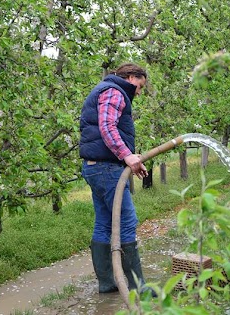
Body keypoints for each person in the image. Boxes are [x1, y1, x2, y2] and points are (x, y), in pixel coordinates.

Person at [79, 63, 151, 295]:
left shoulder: (106, 88)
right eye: (139, 86)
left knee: (104, 223)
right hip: (106, 169)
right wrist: (127, 156)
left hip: (96, 166)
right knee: (128, 222)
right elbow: (107, 128)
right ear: (131, 77)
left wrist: (131, 162)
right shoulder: (115, 91)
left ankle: (108, 282)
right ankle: (137, 287)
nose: (139, 92)